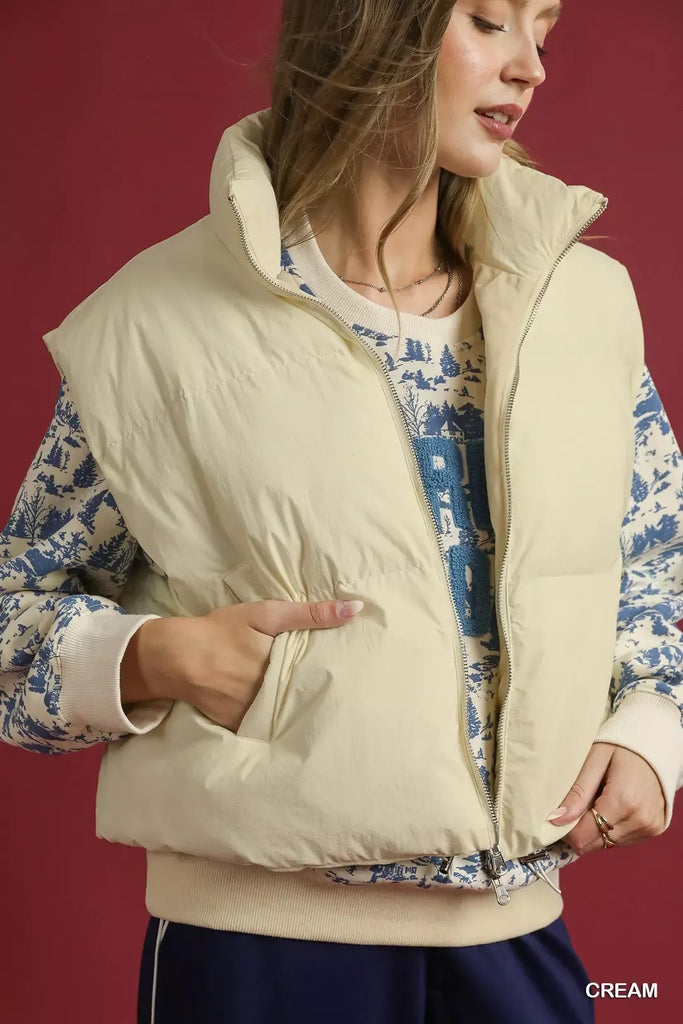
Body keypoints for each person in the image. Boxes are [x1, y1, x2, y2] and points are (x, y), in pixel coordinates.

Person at [1, 1, 682, 1022]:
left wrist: (650, 732)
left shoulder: (579, 306)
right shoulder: (152, 325)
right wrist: (157, 656)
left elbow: (655, 568)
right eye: (488, 20)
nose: (529, 67)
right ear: (373, 25)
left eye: (542, 30)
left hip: (514, 935)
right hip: (256, 948)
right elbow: (13, 615)